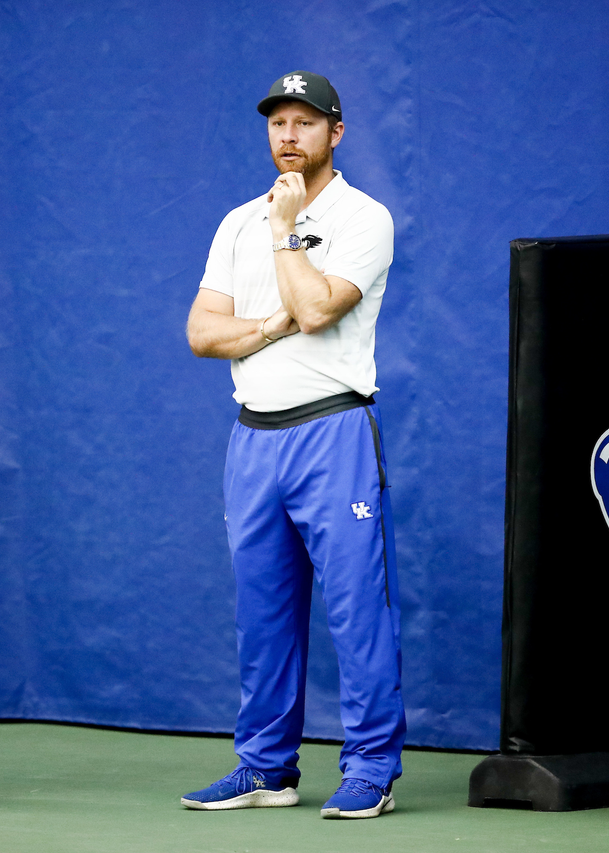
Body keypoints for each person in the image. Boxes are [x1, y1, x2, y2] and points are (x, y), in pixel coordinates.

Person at [182, 71, 405, 820]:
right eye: (278, 122)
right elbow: (201, 331)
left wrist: (285, 234)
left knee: (354, 610)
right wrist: (266, 327)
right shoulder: (237, 220)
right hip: (254, 438)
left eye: (305, 122)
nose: (288, 135)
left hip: (333, 430)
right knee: (264, 611)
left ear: (335, 134)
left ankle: (371, 765)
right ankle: (266, 767)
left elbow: (314, 307)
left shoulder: (363, 217)